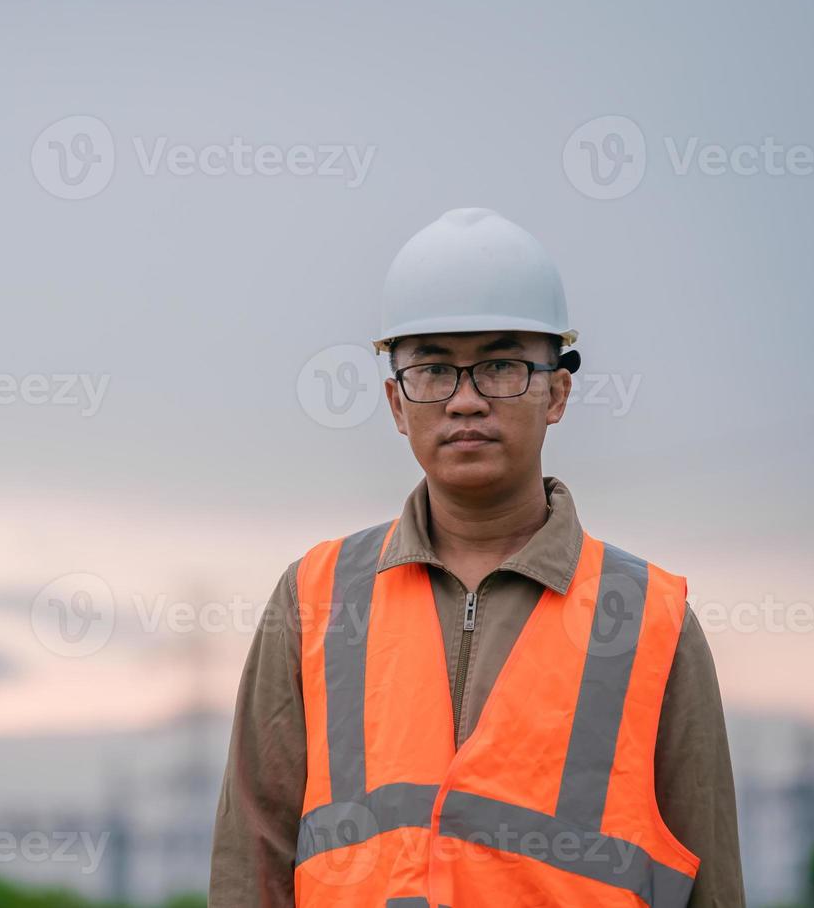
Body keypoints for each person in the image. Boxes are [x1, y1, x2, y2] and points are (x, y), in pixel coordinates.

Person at [208, 209, 744, 907]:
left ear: (556, 391)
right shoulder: (316, 597)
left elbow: (709, 878)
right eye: (432, 369)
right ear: (395, 403)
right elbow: (253, 858)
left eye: (500, 365)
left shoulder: (646, 618)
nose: (465, 400)